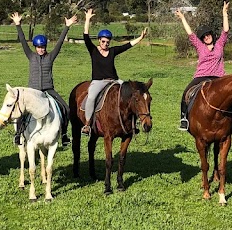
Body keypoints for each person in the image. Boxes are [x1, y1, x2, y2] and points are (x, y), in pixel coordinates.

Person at [11, 11, 77, 146]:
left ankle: (64, 135)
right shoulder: (31, 56)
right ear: (35, 47)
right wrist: (18, 24)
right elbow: (23, 41)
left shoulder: (50, 57)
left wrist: (67, 26)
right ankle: (18, 135)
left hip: (48, 89)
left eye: (43, 47)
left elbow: (59, 44)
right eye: (39, 47)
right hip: (33, 90)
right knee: (20, 111)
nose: (41, 49)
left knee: (66, 109)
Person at [80, 8, 147, 134]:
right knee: (91, 97)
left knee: (132, 94)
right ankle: (88, 124)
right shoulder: (93, 50)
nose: (106, 43)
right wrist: (87, 19)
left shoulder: (112, 51)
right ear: (99, 41)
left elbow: (127, 46)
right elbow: (85, 36)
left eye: (108, 41)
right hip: (98, 81)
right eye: (103, 41)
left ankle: (133, 123)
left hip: (114, 81)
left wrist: (140, 38)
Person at [174, 1, 230, 131]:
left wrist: (224, 13)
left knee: (230, 96)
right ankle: (184, 119)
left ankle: (231, 121)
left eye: (208, 35)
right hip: (202, 76)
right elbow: (190, 34)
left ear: (212, 35)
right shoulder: (200, 46)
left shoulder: (220, 44)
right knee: (186, 93)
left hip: (218, 77)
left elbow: (226, 31)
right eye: (204, 36)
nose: (206, 37)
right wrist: (183, 18)